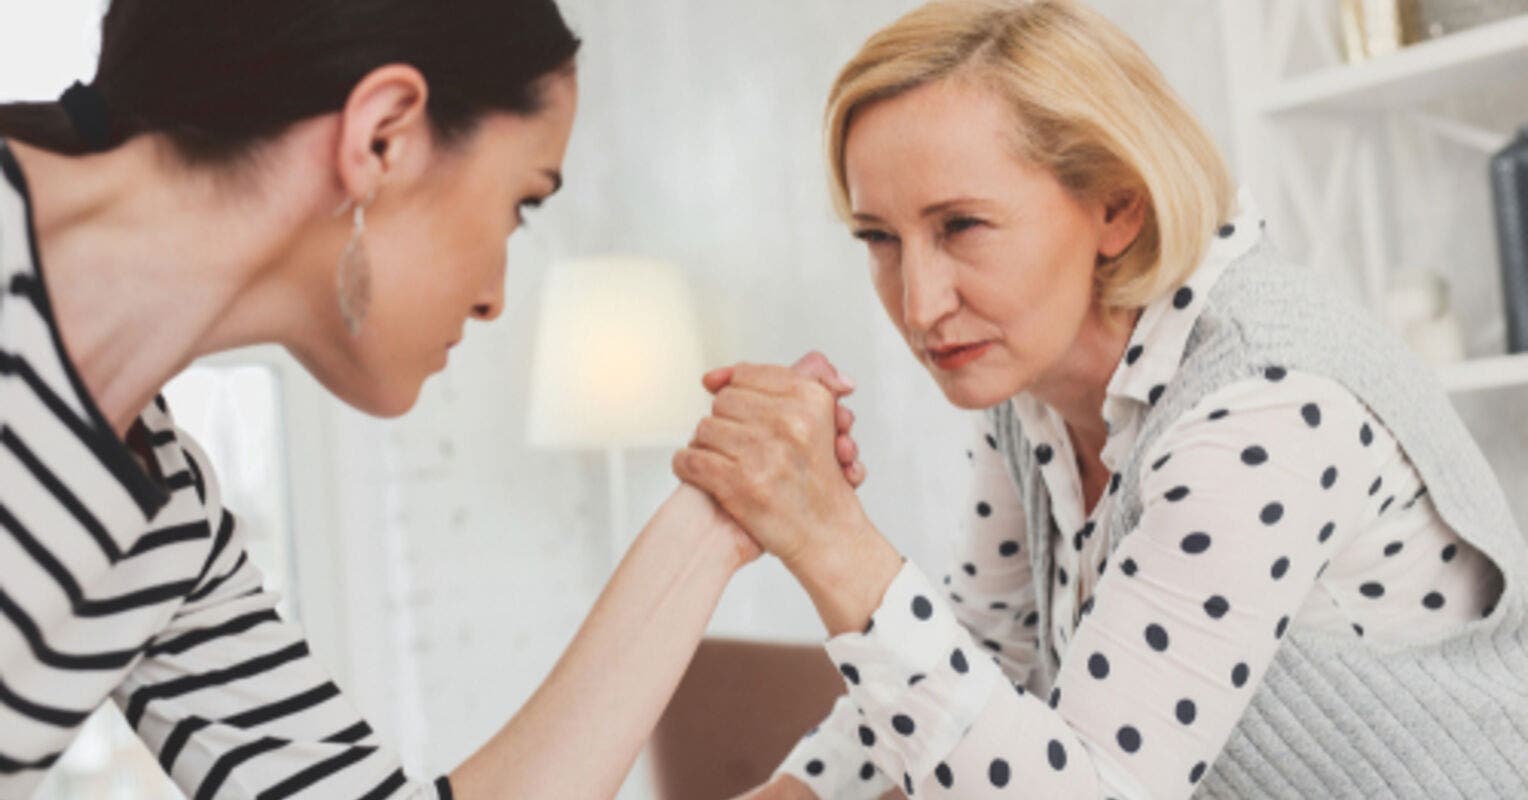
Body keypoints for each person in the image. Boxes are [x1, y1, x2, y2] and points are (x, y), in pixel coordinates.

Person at [0, 1, 866, 797]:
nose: (495, 295)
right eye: (521, 203)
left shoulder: (160, 515)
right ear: (383, 138)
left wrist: (720, 517)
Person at [673, 1, 1528, 797]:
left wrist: (830, 540)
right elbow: (983, 659)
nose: (920, 304)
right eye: (880, 239)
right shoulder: (1031, 390)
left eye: (961, 226)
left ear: (1116, 207)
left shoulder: (1263, 404)